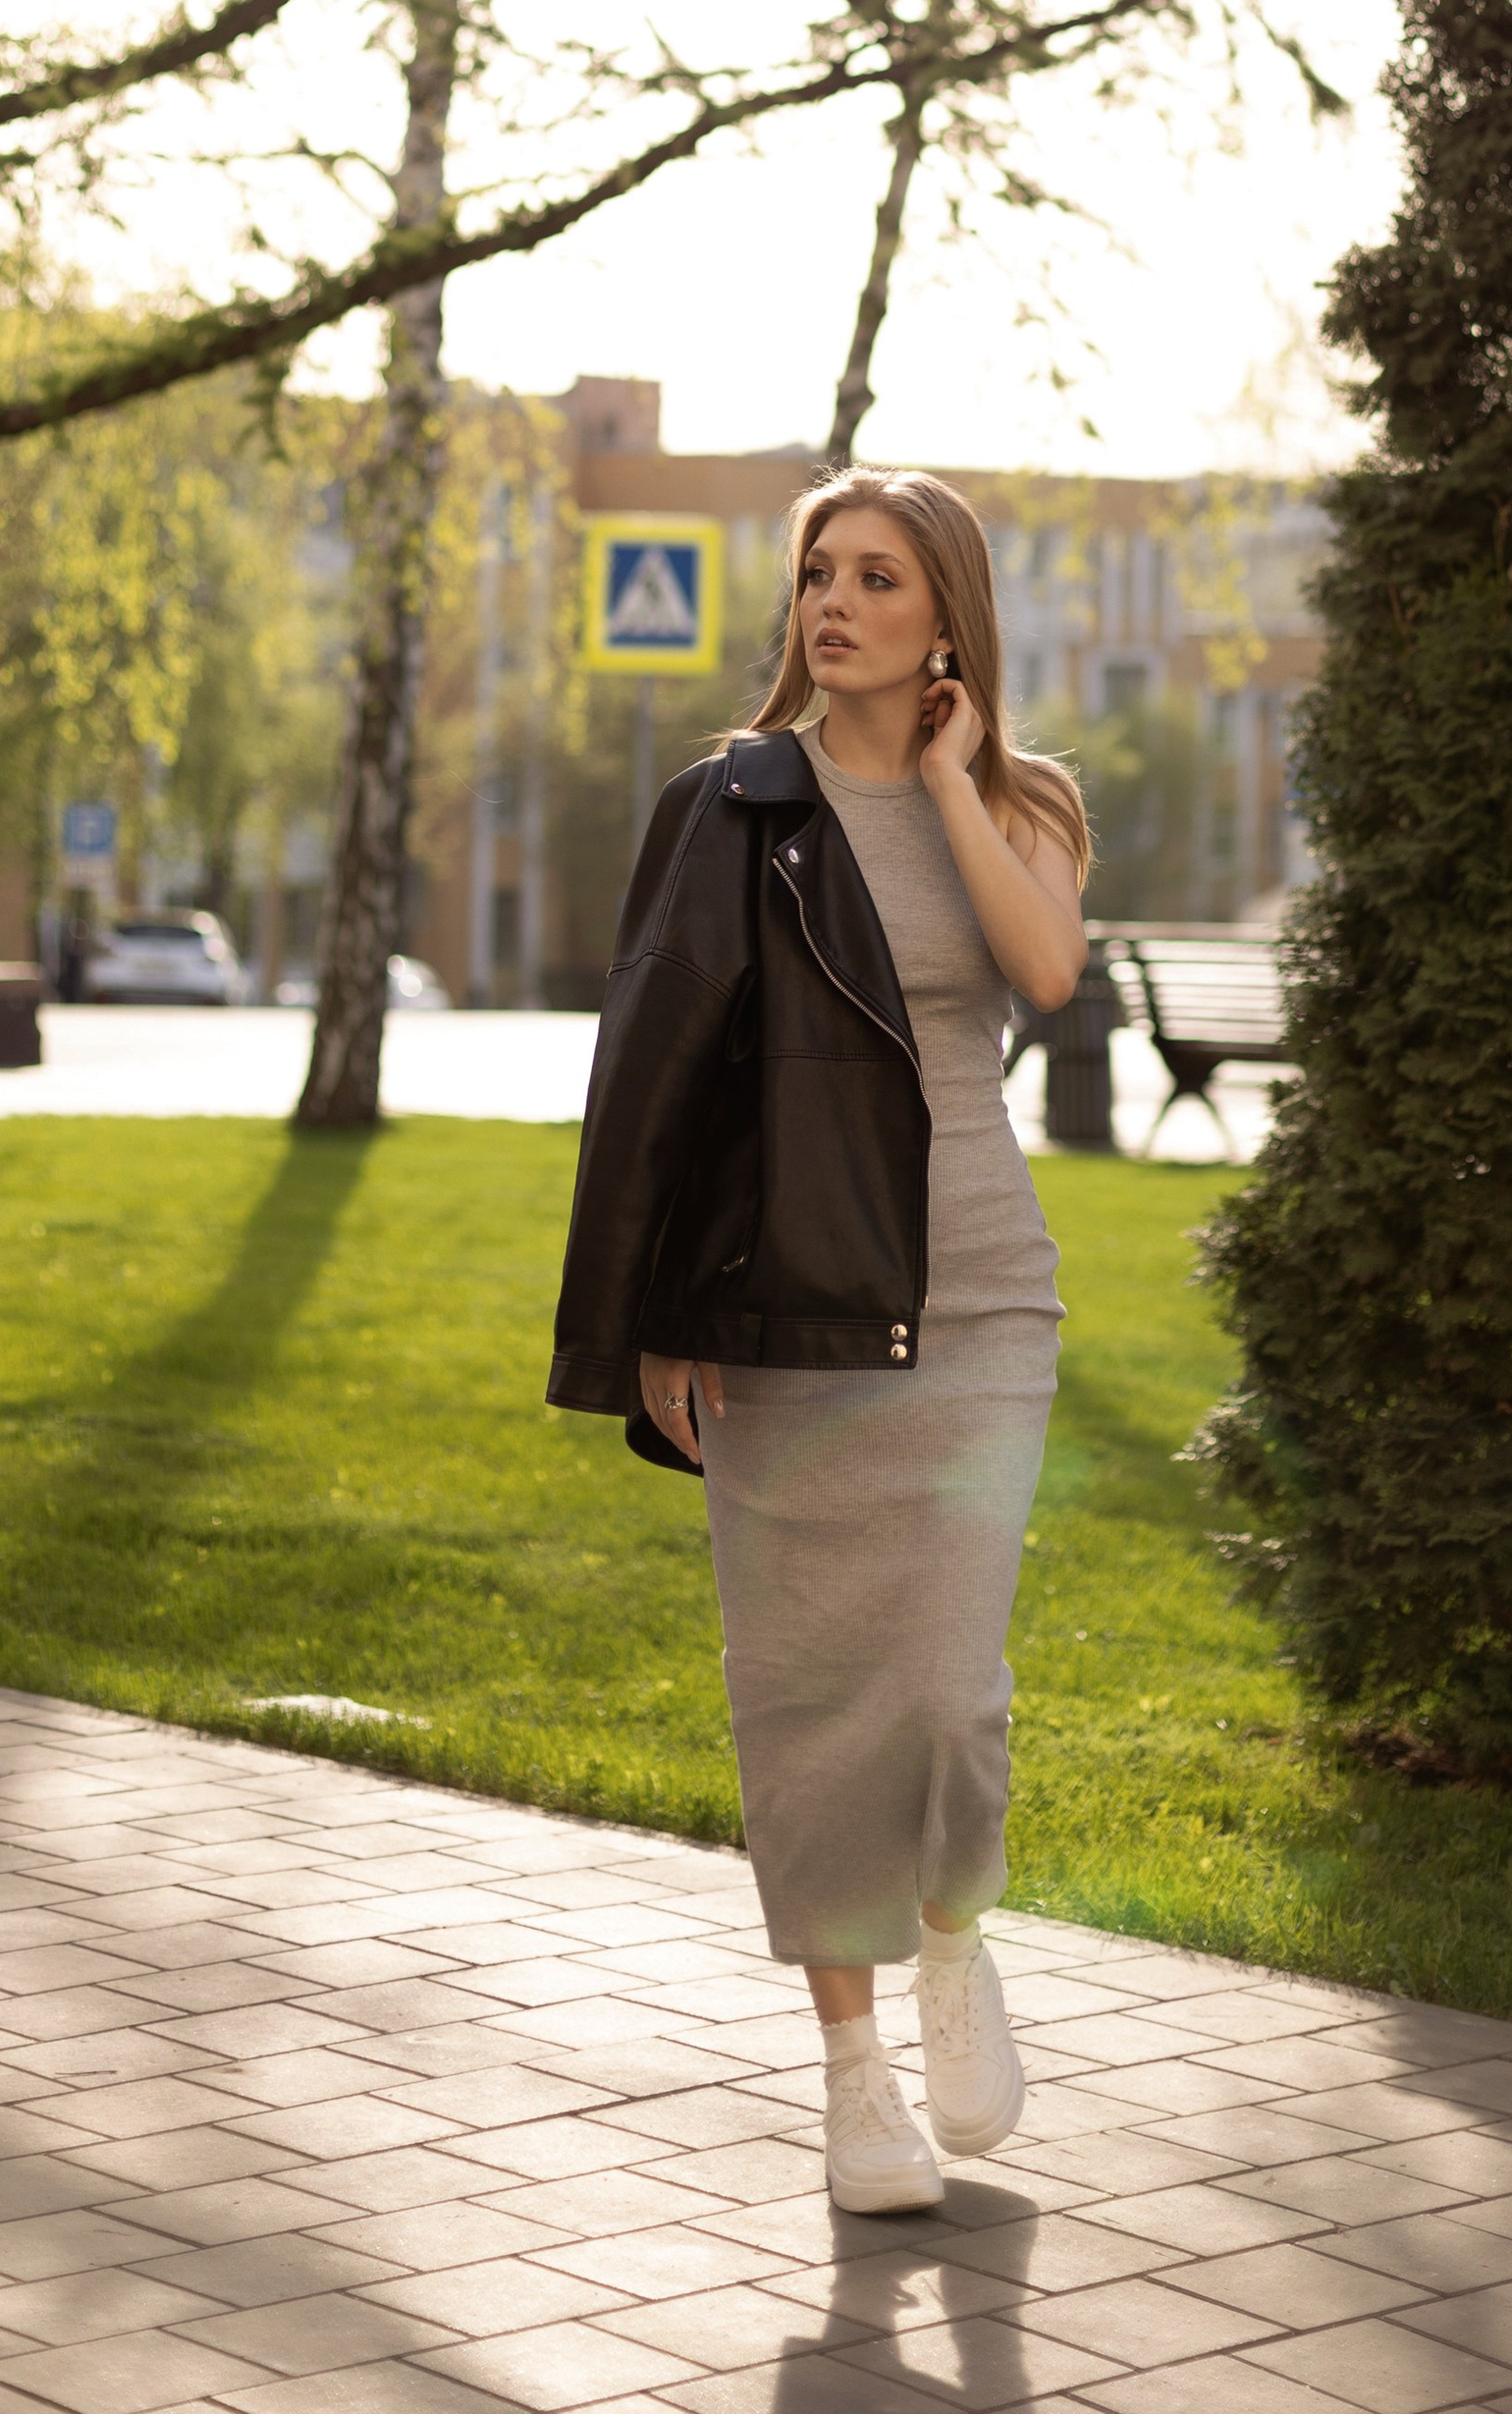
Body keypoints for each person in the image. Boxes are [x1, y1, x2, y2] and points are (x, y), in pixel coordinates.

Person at [548, 467, 1090, 2211]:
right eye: (815, 575)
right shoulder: (730, 809)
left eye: (876, 577)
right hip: (786, 1310)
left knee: (945, 1692)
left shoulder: (1024, 801)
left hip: (984, 1297)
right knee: (804, 1703)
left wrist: (947, 776)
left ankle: (954, 1943)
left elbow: (1051, 979)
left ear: (946, 618)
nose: (833, 605)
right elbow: (653, 1083)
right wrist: (650, 1322)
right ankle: (854, 2079)